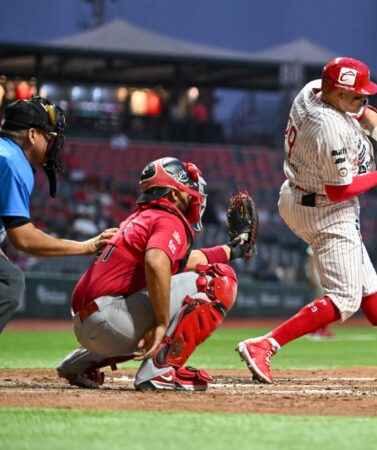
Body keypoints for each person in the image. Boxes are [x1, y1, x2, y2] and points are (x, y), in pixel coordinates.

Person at [236, 57, 377, 383]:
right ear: (338, 94)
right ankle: (265, 345)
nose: (364, 101)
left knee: (370, 290)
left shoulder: (315, 89)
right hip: (326, 208)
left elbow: (366, 114)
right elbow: (340, 189)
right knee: (345, 298)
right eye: (356, 96)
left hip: (300, 194)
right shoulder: (329, 128)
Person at [56, 157, 257, 391]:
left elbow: (182, 263)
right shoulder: (168, 218)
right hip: (110, 320)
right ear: (172, 194)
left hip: (92, 323)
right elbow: (156, 262)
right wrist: (161, 323)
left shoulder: (141, 218)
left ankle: (80, 362)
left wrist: (234, 248)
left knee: (182, 277)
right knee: (219, 279)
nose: (192, 194)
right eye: (186, 190)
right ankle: (160, 370)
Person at [0, 97, 116, 333]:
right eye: (49, 137)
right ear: (32, 135)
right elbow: (23, 239)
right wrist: (86, 246)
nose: (54, 143)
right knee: (9, 283)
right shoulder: (12, 160)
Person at [305, 246, 335, 339]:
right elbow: (310, 262)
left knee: (325, 304)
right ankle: (316, 329)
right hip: (318, 277)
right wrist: (311, 276)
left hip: (326, 275)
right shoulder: (314, 241)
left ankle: (321, 329)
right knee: (320, 305)